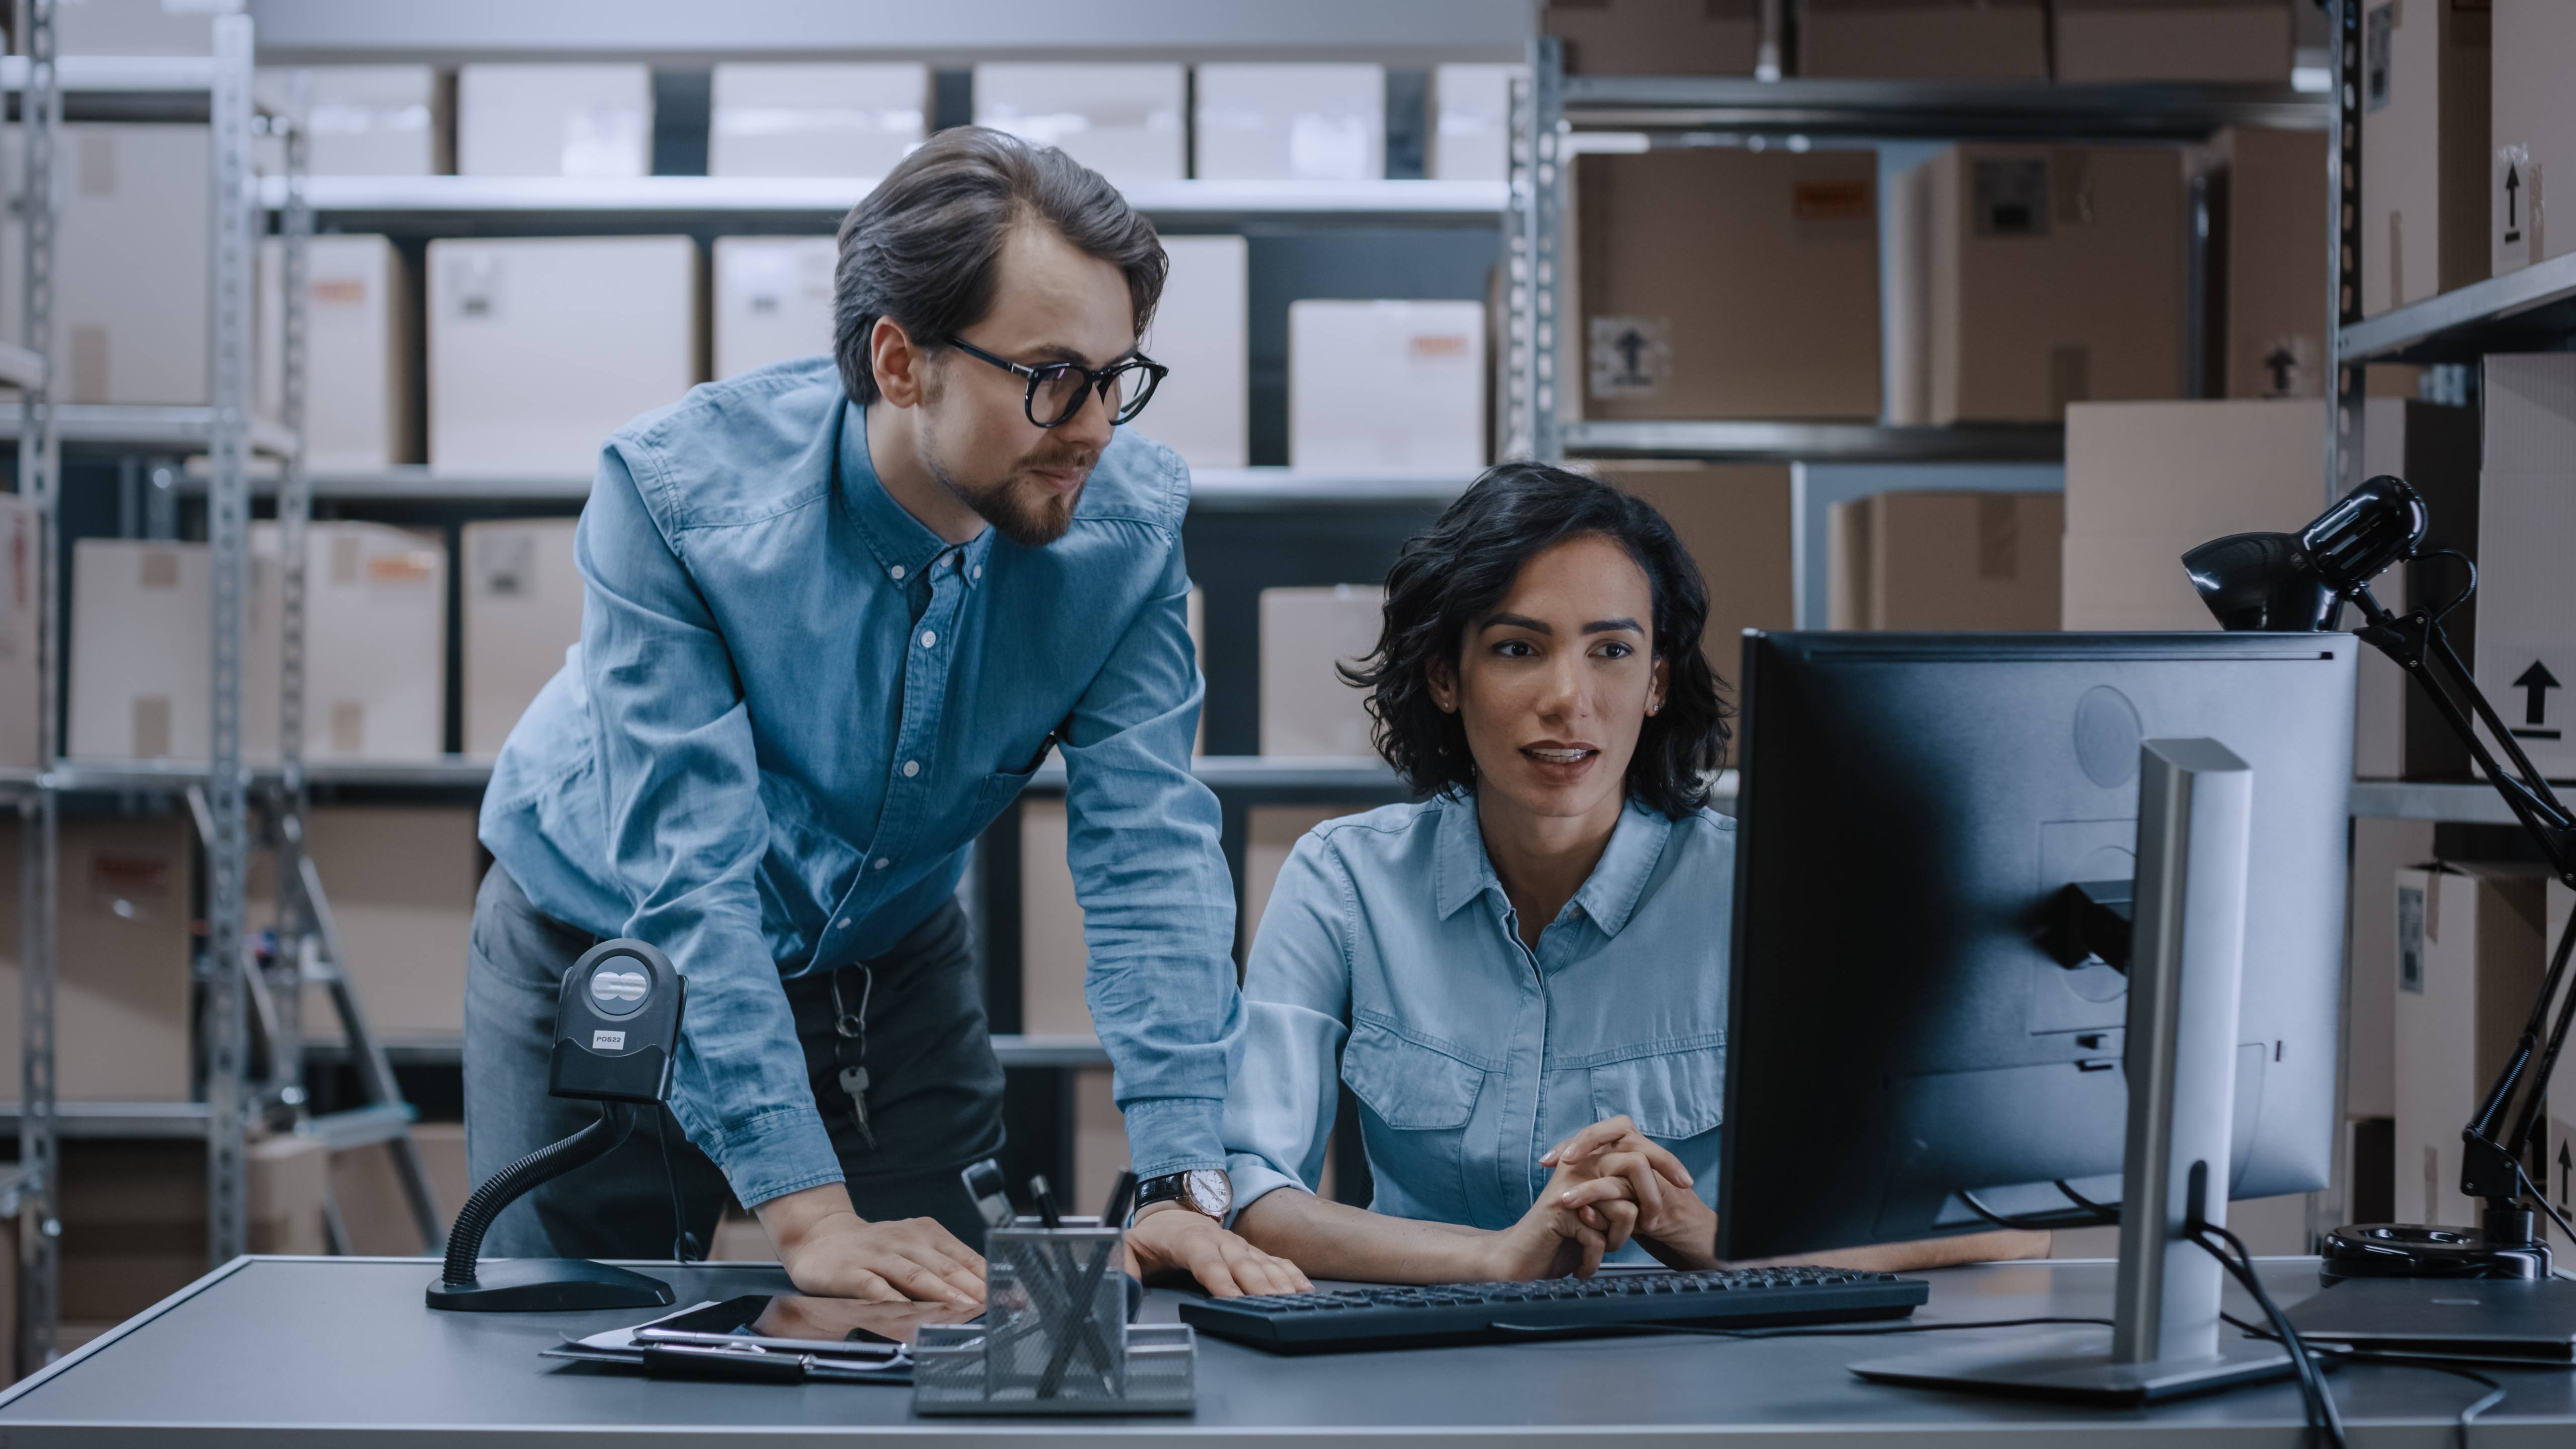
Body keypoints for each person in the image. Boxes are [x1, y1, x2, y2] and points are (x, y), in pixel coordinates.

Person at [465, 126, 1304, 1306]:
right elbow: (690, 879)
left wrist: (1182, 1175)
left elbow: (1150, 857)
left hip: (885, 958)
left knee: (962, 1328)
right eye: (1054, 377)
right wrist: (807, 1214)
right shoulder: (676, 504)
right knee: (572, 1341)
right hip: (608, 940)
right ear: (902, 361)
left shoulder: (1126, 534)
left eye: (1118, 377)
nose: (1098, 429)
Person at [1220, 463, 2048, 1281]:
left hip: (1706, 1376)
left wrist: (1716, 1240)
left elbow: (2002, 1217)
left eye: (1612, 650)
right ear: (1445, 675)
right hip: (1421, 1365)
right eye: (1517, 648)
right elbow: (1250, 1190)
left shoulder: (1768, 897)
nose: (1569, 698)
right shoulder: (1345, 882)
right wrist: (1495, 1257)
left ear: (1656, 682)